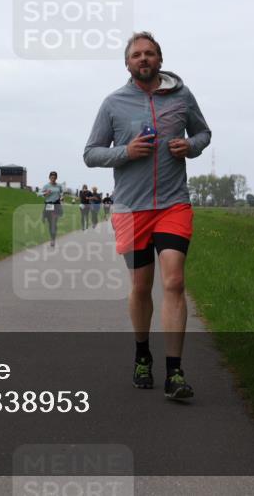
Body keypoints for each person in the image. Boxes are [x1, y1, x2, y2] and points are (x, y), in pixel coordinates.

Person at [83, 31, 211, 400]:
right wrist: (126, 152)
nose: (144, 58)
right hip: (132, 209)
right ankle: (142, 355)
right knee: (141, 287)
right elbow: (91, 153)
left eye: (150, 53)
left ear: (160, 59)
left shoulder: (182, 97)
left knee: (174, 282)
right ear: (127, 63)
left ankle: (175, 372)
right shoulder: (113, 103)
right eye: (137, 54)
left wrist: (190, 146)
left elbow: (203, 133)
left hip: (173, 204)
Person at [40, 171, 65, 246]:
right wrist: (45, 193)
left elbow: (62, 193)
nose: (53, 179)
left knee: (54, 223)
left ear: (56, 178)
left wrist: (62, 197)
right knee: (50, 223)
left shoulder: (59, 186)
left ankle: (53, 240)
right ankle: (43, 215)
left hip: (56, 205)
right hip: (49, 204)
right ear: (49, 178)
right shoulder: (46, 186)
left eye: (54, 178)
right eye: (52, 177)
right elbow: (39, 193)